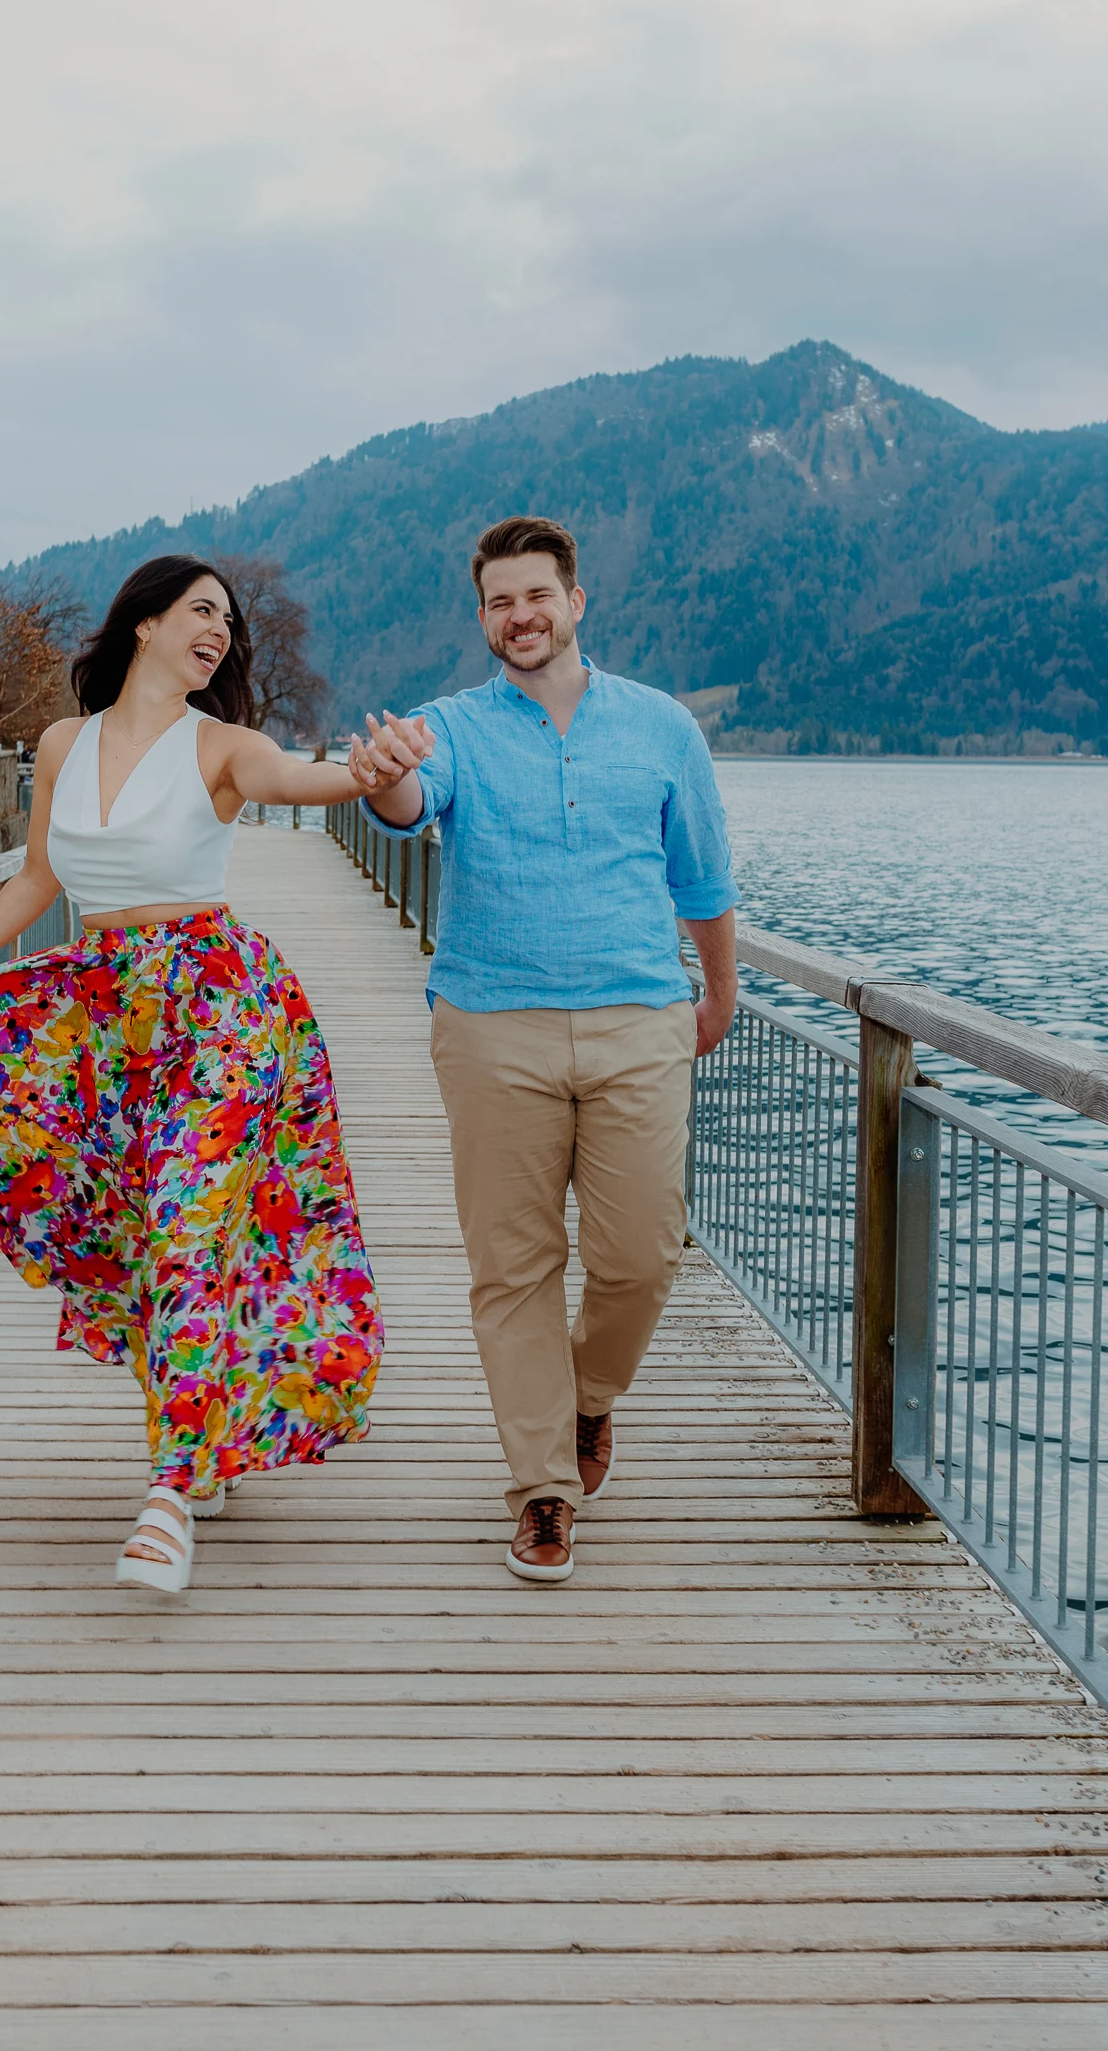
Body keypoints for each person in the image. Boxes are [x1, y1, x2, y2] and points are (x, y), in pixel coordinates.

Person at [0, 555, 387, 1595]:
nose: (217, 631)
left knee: (184, 1221)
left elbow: (307, 780)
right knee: (141, 1234)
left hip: (218, 1011)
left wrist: (370, 770)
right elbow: (39, 878)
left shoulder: (226, 747)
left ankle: (169, 1495)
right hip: (104, 1019)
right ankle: (200, 1424)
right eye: (198, 612)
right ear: (144, 624)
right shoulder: (63, 744)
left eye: (228, 621)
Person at [354, 516, 739, 1585]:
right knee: (513, 1265)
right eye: (497, 602)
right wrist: (382, 772)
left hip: (639, 1022)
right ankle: (540, 1489)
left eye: (536, 596)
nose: (518, 616)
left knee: (641, 1255)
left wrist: (721, 988)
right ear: (482, 617)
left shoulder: (664, 729)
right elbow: (404, 804)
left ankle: (588, 1399)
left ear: (577, 602)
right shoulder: (447, 728)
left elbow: (703, 880)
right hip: (491, 1028)